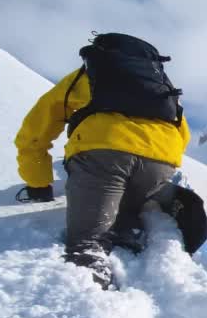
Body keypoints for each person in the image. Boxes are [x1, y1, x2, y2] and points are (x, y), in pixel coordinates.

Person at [13, 33, 191, 289]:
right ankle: (128, 225)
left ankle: (93, 303)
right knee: (126, 203)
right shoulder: (162, 86)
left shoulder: (90, 74)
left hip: (103, 158)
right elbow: (182, 134)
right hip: (160, 160)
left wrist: (38, 183)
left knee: (87, 243)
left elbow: (36, 130)